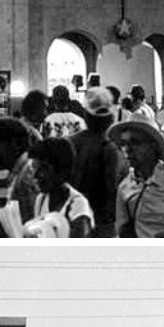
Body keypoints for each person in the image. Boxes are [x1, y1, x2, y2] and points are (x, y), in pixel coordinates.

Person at [69, 86, 127, 236]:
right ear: (111, 117)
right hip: (105, 222)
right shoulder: (112, 148)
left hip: (75, 216)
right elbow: (112, 187)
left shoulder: (71, 143)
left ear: (86, 115)